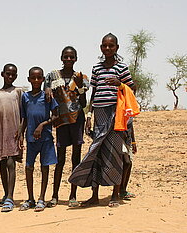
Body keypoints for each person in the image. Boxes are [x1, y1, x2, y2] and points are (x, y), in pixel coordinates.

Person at [68, 33, 136, 208]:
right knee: (96, 152)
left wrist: (120, 84)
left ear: (117, 48)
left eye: (111, 46)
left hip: (116, 115)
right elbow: (94, 92)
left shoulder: (122, 68)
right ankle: (94, 195)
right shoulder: (96, 68)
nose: (107, 49)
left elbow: (132, 88)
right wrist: (89, 115)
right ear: (101, 48)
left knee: (115, 154)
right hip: (99, 114)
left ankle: (114, 195)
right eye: (104, 46)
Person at [44, 46, 89, 208]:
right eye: (66, 57)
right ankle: (55, 195)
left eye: (71, 57)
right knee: (60, 159)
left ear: (76, 59)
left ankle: (72, 195)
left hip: (77, 120)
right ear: (61, 58)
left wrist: (80, 88)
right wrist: (48, 90)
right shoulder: (52, 76)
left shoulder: (81, 77)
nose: (68, 60)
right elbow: (47, 94)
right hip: (61, 121)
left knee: (75, 159)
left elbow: (83, 104)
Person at [17, 67, 58, 212]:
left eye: (39, 78)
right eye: (33, 78)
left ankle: (42, 198)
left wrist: (42, 124)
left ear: (42, 79)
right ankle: (30, 198)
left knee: (44, 167)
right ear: (29, 79)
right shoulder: (25, 97)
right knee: (29, 167)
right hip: (31, 139)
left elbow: (55, 115)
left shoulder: (47, 96)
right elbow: (24, 118)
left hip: (45, 138)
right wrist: (21, 134)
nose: (36, 80)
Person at [0, 63, 23, 212]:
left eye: (13, 74)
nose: (10, 77)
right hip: (0, 133)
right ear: (2, 74)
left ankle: (10, 196)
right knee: (2, 164)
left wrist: (21, 132)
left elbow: (23, 114)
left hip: (14, 133)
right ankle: (5, 194)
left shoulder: (18, 92)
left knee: (11, 164)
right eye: (8, 74)